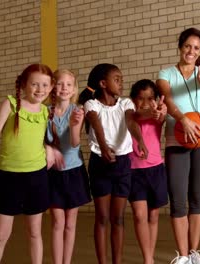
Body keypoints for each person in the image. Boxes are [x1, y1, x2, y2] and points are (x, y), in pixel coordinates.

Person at [0, 64, 54, 264]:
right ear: (24, 84)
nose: (40, 89)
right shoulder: (11, 104)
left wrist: (49, 149)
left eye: (45, 85)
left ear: (50, 88)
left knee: (34, 232)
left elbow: (42, 138)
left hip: (37, 176)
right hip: (10, 177)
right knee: (0, 235)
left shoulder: (45, 111)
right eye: (34, 84)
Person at [156, 27, 200, 264]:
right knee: (178, 198)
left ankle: (194, 254)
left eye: (197, 48)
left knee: (196, 198)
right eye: (188, 46)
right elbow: (167, 98)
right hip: (176, 138)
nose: (191, 51)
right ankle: (182, 256)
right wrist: (183, 120)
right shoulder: (166, 73)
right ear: (180, 46)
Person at [81, 63, 147, 264]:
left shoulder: (125, 103)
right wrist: (103, 146)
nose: (121, 82)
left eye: (121, 79)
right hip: (100, 163)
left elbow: (130, 122)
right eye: (116, 79)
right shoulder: (91, 105)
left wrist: (140, 140)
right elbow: (96, 124)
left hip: (122, 164)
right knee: (102, 217)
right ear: (103, 83)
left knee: (118, 218)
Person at [46, 69, 92, 264]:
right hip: (53, 174)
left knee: (70, 224)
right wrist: (50, 149)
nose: (64, 87)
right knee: (57, 222)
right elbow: (41, 141)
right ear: (53, 87)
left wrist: (75, 125)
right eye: (59, 83)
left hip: (73, 172)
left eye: (68, 84)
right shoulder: (45, 112)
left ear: (74, 89)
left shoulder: (77, 111)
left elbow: (74, 143)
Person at [128, 79, 168, 264]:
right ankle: (148, 259)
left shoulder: (158, 113)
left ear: (157, 99)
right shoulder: (130, 114)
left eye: (150, 98)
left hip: (155, 169)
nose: (145, 102)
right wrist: (149, 110)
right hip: (134, 171)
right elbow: (138, 115)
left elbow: (159, 116)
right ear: (133, 99)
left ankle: (149, 257)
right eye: (141, 98)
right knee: (139, 215)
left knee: (153, 215)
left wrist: (160, 110)